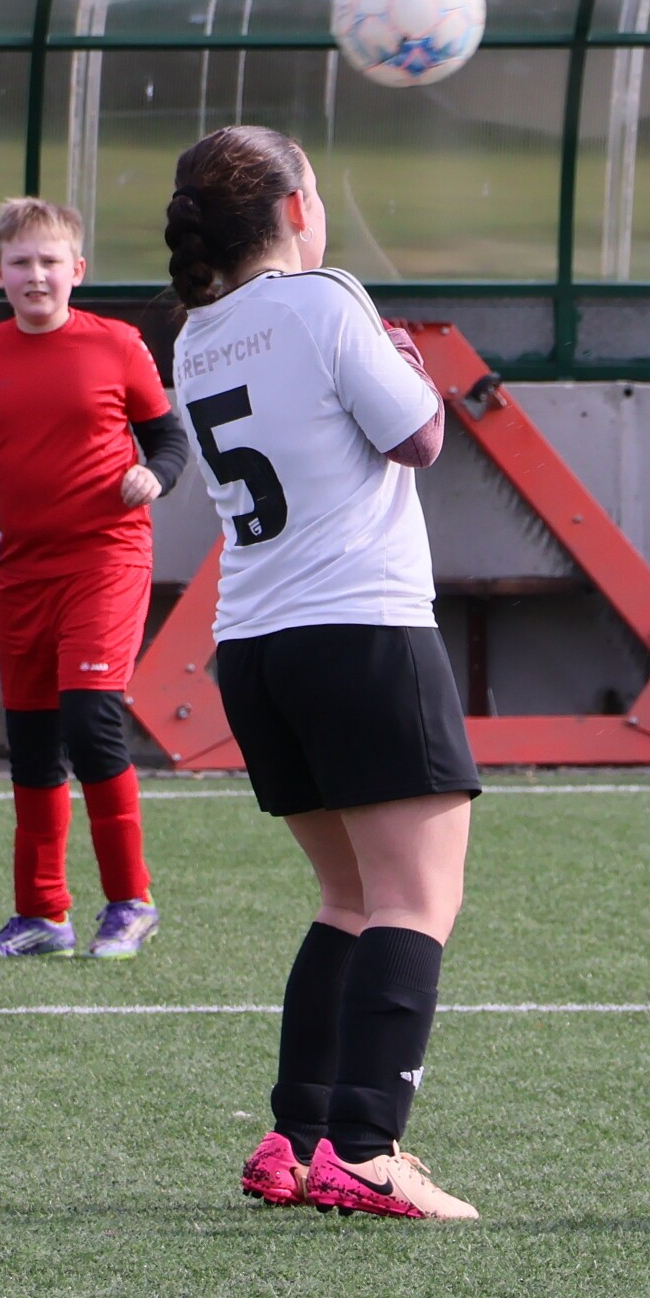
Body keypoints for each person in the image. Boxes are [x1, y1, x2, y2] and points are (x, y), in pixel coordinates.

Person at [164, 125, 481, 1221]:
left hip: (256, 648)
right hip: (360, 629)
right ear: (297, 208)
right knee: (414, 897)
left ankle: (294, 1138)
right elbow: (418, 439)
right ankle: (367, 1147)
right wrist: (402, 356)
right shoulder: (322, 298)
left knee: (347, 898)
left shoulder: (194, 334)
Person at [0, 197, 188, 959]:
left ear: (77, 270)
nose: (36, 275)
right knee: (30, 743)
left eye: (50, 261)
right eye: (20, 262)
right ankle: (40, 915)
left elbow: (169, 439)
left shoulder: (118, 345)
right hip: (23, 571)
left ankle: (129, 902)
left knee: (89, 719)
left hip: (107, 558)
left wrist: (154, 475)